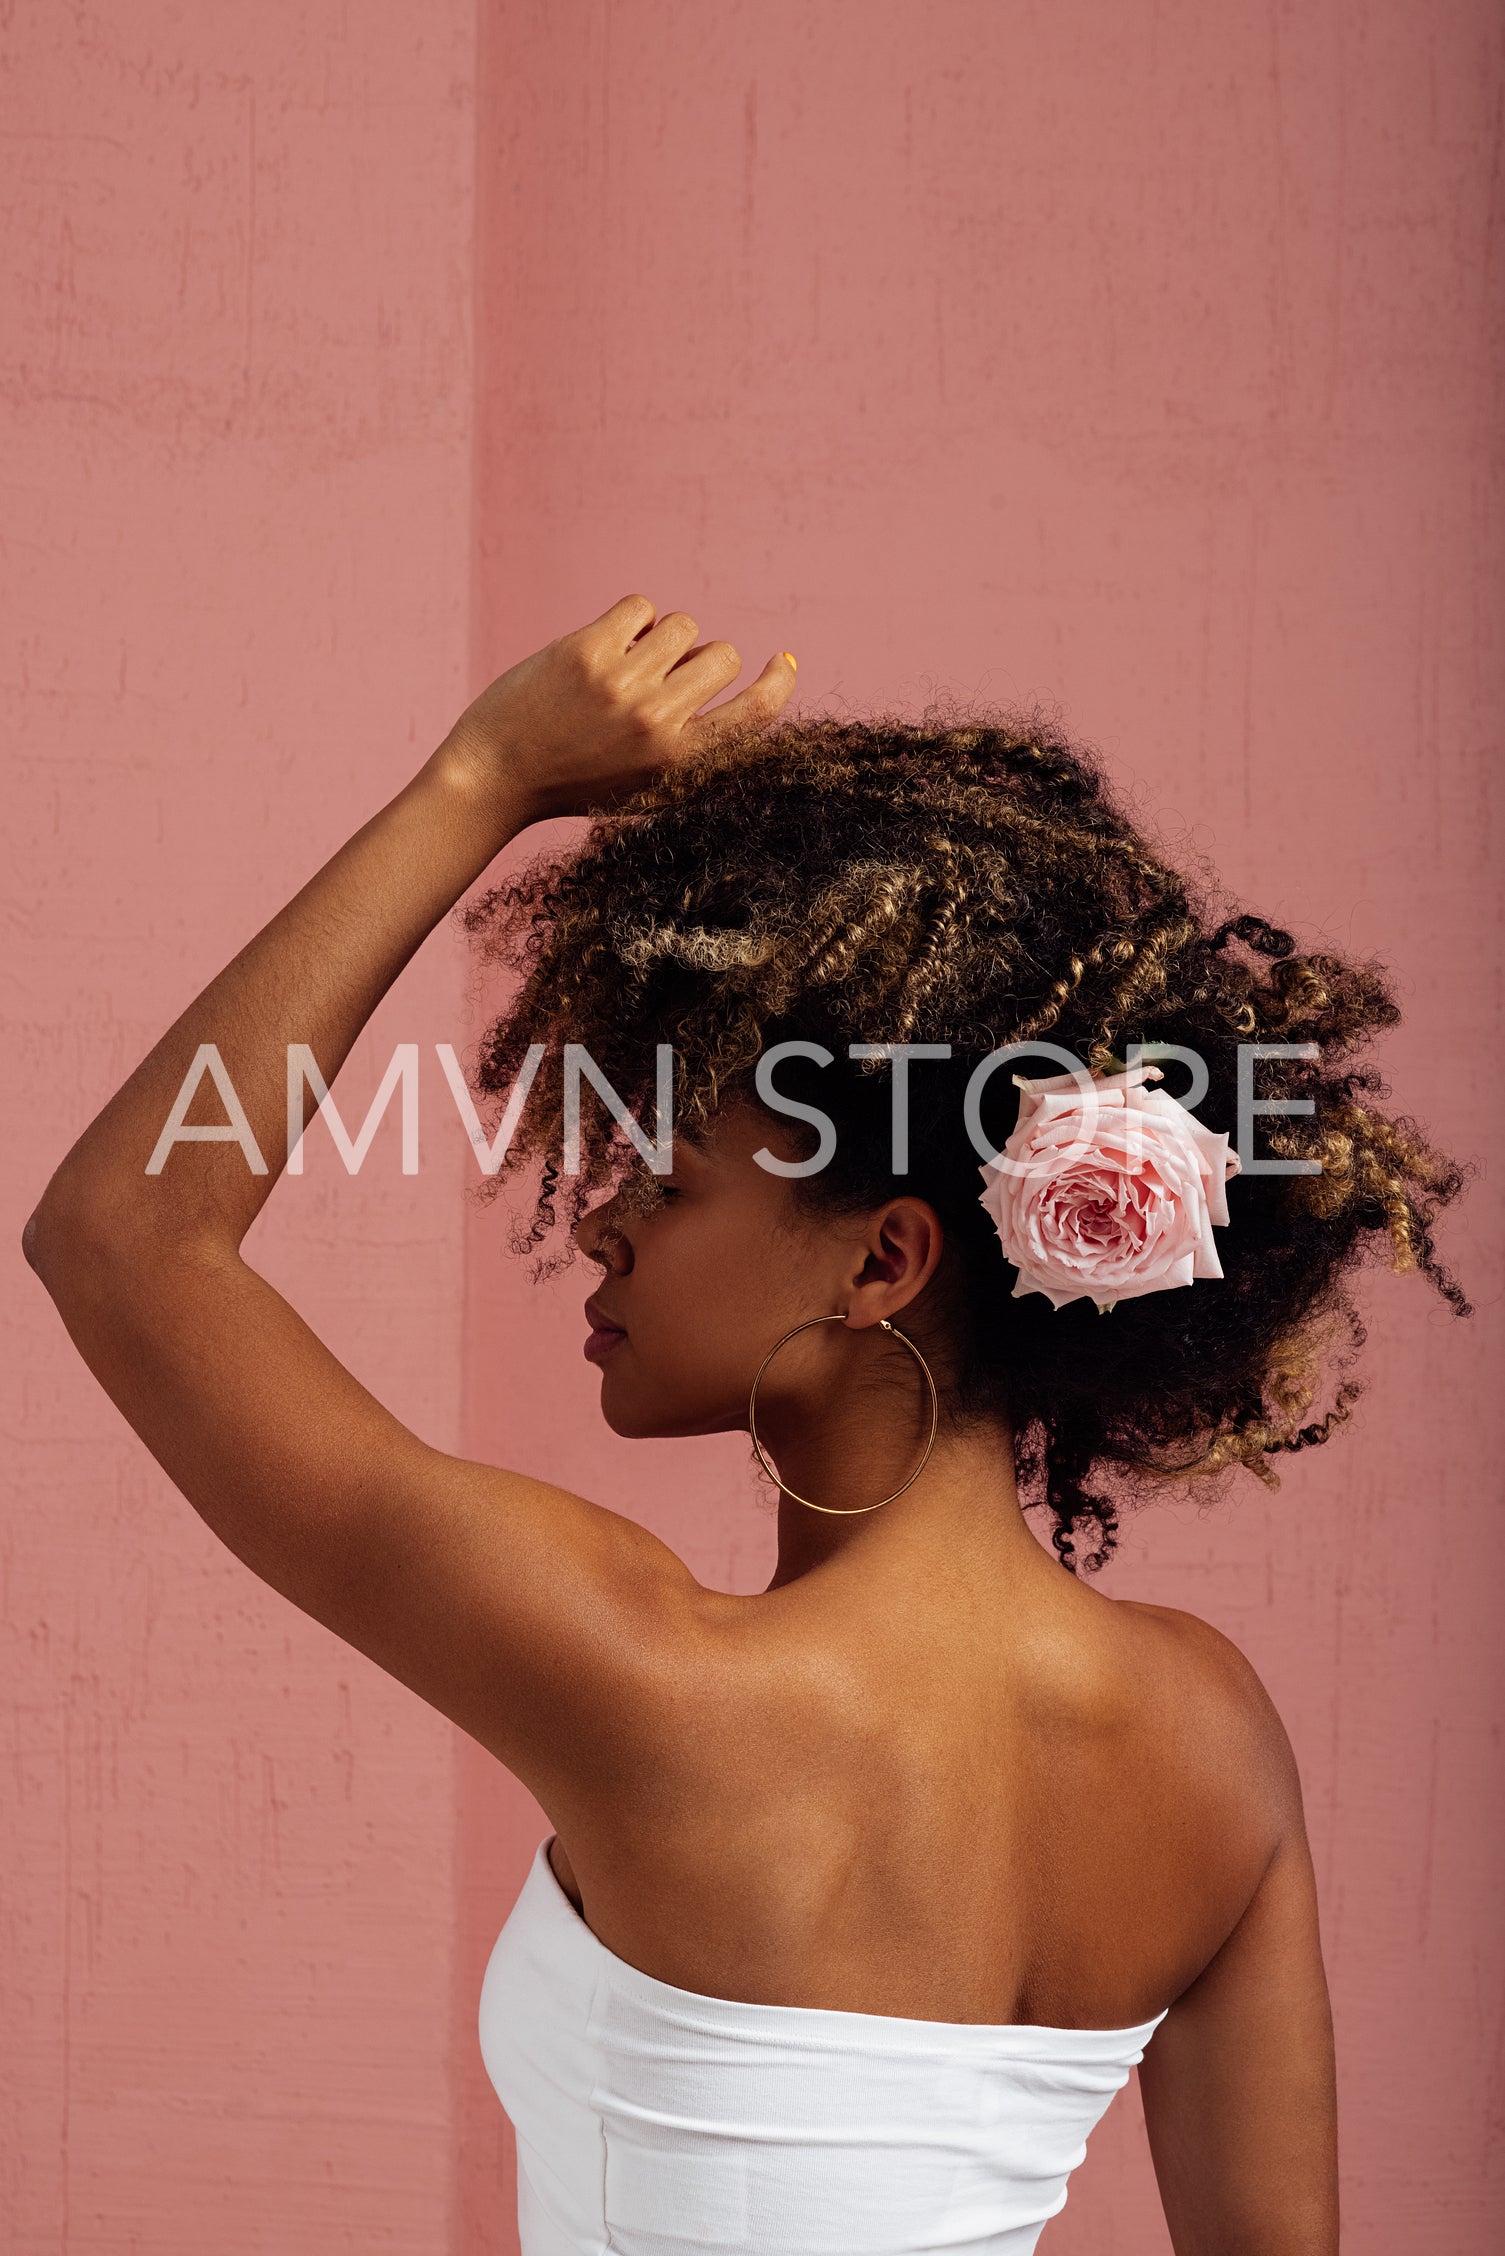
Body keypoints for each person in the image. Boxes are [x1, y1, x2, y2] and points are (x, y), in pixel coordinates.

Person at [24, 595, 1465, 2254]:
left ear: (883, 1256)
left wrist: (479, 777)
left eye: (668, 1176)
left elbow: (123, 1241)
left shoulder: (646, 1671)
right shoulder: (1212, 1732)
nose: (599, 1221)